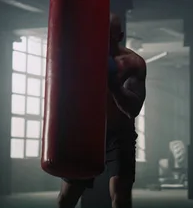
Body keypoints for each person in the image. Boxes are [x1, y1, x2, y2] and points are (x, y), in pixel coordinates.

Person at [57, 13, 147, 208]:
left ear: (119, 36)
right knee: (66, 199)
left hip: (119, 135)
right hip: (86, 134)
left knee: (121, 198)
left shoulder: (133, 63)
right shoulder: (81, 57)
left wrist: (114, 85)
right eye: (97, 33)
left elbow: (134, 109)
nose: (101, 39)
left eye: (109, 35)